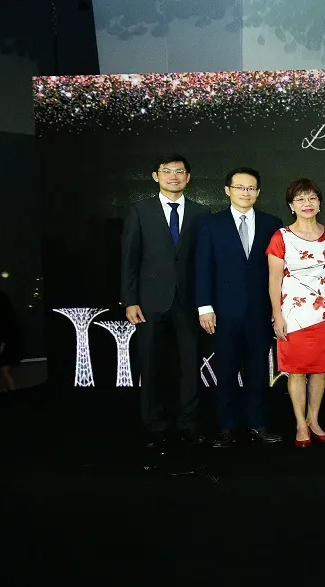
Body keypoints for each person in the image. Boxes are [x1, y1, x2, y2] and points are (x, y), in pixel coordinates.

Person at [121, 153, 208, 448]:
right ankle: (153, 425)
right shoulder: (140, 210)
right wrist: (130, 300)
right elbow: (129, 260)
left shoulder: (201, 212)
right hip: (149, 302)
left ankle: (189, 424)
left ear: (188, 177)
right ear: (155, 176)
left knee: (190, 366)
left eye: (179, 171)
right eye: (167, 171)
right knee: (151, 365)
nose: (174, 176)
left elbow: (204, 261)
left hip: (189, 302)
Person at [194, 167, 283, 448]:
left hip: (260, 312)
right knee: (226, 370)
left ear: (258, 192)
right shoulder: (211, 224)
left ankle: (257, 424)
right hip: (223, 312)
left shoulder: (272, 224)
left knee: (258, 372)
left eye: (251, 188)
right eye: (240, 187)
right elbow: (202, 267)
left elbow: (279, 272)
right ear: (227, 190)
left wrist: (277, 309)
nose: (246, 193)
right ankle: (227, 427)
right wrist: (205, 307)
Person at [266, 179, 325, 448]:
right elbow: (274, 280)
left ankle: (314, 421)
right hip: (294, 315)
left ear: (320, 203)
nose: (307, 204)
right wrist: (277, 315)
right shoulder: (281, 237)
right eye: (300, 199)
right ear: (291, 206)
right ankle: (300, 424)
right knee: (297, 371)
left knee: (320, 371)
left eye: (312, 198)